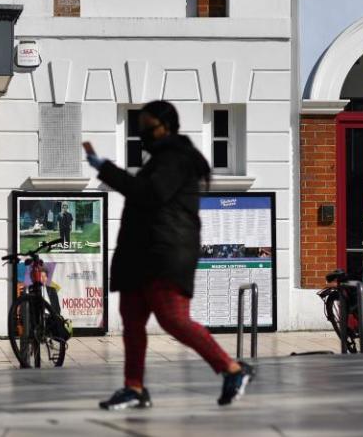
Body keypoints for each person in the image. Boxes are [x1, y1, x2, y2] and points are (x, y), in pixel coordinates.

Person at [85, 100, 254, 410]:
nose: (143, 135)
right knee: (132, 322)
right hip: (141, 255)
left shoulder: (176, 158)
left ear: (168, 126)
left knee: (173, 318)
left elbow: (150, 194)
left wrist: (106, 169)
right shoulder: (161, 159)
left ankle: (232, 369)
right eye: (140, 129)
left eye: (149, 128)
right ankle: (133, 387)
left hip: (166, 253)